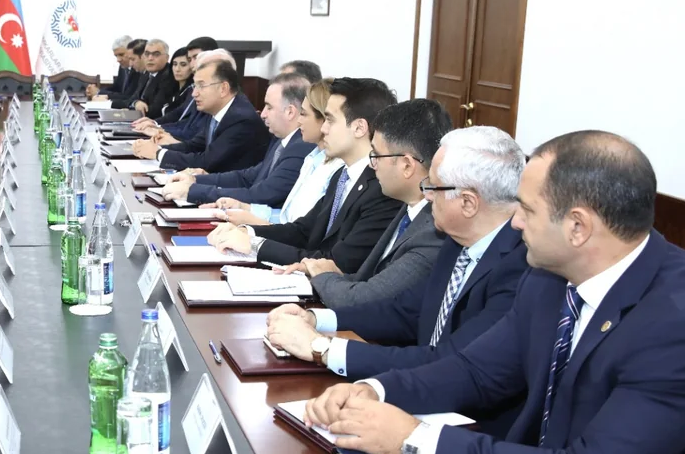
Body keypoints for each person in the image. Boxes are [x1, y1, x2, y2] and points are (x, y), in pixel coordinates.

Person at [303, 131, 685, 454]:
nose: (514, 223)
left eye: (527, 210)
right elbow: (475, 371)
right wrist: (374, 391)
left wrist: (412, 440)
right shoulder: (549, 277)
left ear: (577, 226)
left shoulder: (682, 321)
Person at [266, 126, 527, 382]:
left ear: (468, 203)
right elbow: (405, 312)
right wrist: (316, 319)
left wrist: (322, 348)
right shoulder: (457, 241)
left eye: (433, 187)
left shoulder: (518, 269)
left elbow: (451, 362)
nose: (426, 196)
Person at [208, 77, 401, 273]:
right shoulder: (343, 176)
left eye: (330, 120)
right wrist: (247, 231)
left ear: (359, 128)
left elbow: (337, 263)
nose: (324, 129)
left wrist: (255, 245)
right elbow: (303, 231)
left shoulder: (382, 189)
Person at [287, 98, 451, 308]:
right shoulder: (407, 208)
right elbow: (368, 281)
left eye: (377, 155)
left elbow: (367, 299)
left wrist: (322, 276)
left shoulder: (432, 231)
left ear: (407, 166)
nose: (372, 165)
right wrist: (326, 273)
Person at [160, 72, 313, 208]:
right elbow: (248, 177)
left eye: (269, 107)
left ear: (290, 112)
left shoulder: (300, 147)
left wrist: (193, 191)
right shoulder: (282, 140)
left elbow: (261, 195)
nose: (263, 114)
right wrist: (195, 180)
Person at [209, 77, 344, 226]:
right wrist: (244, 207)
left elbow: (303, 230)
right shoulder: (312, 158)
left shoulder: (330, 166)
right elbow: (288, 216)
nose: (299, 121)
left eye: (304, 114)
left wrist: (256, 226)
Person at [131, 56, 268, 173]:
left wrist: (158, 154)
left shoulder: (240, 119)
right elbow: (193, 146)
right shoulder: (217, 110)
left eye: (201, 86)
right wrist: (155, 148)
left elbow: (206, 161)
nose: (194, 93)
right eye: (195, 86)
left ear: (223, 88)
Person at [134, 48, 232, 142]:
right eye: (175, 64)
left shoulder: (233, 117)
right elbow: (187, 129)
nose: (193, 63)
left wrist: (159, 130)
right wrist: (156, 126)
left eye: (194, 58)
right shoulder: (176, 87)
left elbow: (191, 135)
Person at [112, 39, 177, 115]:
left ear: (167, 58)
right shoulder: (146, 74)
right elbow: (133, 99)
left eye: (156, 54)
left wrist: (131, 110)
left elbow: (156, 110)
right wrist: (135, 103)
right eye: (147, 54)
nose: (150, 58)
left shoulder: (169, 76)